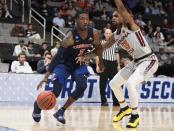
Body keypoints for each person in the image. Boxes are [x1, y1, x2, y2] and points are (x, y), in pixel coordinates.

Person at [32, 10, 104, 124]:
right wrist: (46, 76)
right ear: (76, 21)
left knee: (82, 86)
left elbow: (99, 48)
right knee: (55, 93)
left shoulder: (94, 33)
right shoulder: (69, 38)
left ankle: (60, 111)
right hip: (63, 64)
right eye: (82, 18)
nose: (85, 21)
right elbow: (56, 57)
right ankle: (37, 105)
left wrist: (91, 58)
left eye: (87, 19)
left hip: (78, 64)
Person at [102, 0, 158, 128]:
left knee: (130, 83)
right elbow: (102, 48)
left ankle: (135, 115)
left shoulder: (130, 25)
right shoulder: (116, 35)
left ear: (125, 16)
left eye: (117, 15)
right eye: (113, 16)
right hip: (136, 62)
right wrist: (85, 56)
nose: (113, 18)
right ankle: (124, 108)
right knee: (113, 84)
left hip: (149, 60)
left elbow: (121, 7)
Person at [96, 28, 120, 106]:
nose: (108, 35)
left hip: (113, 64)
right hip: (104, 63)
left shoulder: (115, 43)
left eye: (109, 33)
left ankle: (116, 101)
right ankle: (103, 101)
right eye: (107, 33)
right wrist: (97, 65)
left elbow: (117, 54)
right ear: (104, 34)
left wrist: (118, 65)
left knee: (114, 83)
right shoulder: (101, 43)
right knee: (102, 84)